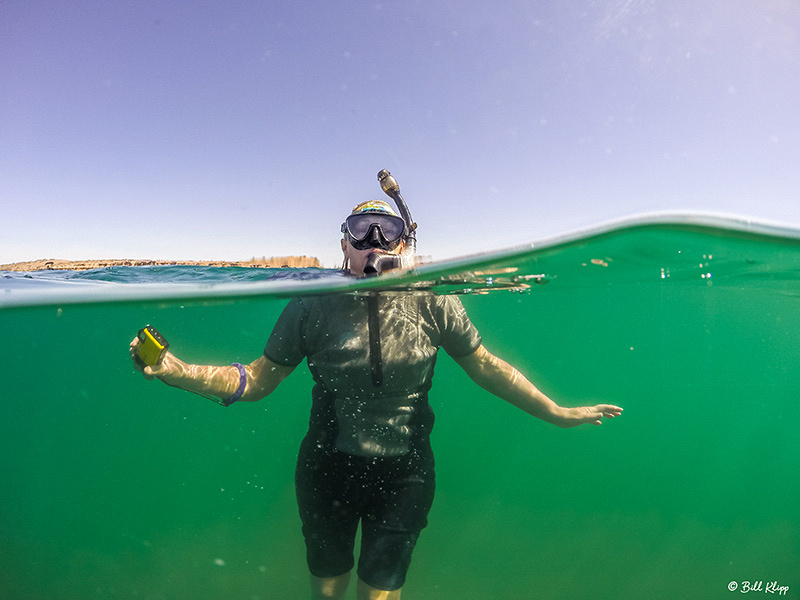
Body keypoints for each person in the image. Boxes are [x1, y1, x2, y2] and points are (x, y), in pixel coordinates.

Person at [130, 199, 623, 600]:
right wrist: (176, 372)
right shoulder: (312, 302)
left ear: (403, 243)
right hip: (327, 470)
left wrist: (556, 413)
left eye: (385, 230)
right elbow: (258, 380)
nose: (373, 244)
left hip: (405, 474)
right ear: (343, 244)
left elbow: (486, 366)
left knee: (379, 597)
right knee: (327, 592)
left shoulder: (433, 299)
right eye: (361, 231)